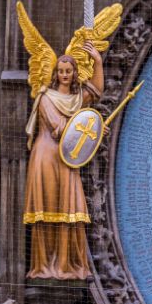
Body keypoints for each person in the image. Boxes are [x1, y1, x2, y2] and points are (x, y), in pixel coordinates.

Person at [23, 44, 102, 280]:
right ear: (55, 73)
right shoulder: (46, 98)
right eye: (61, 71)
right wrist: (93, 128)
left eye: (68, 71)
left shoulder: (77, 99)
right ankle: (44, 265)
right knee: (47, 206)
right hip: (47, 155)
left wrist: (97, 61)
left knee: (71, 208)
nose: (64, 75)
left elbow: (96, 90)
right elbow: (59, 128)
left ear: (74, 73)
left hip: (68, 158)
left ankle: (67, 264)